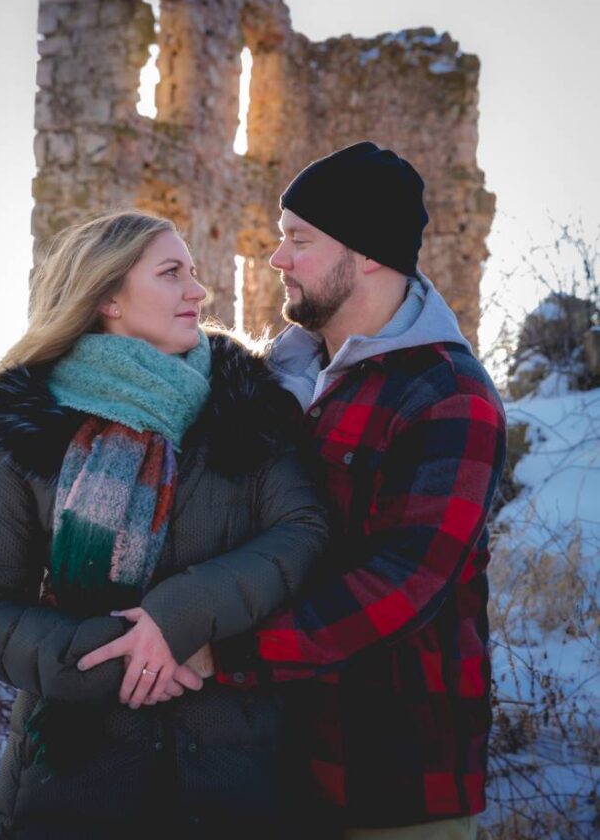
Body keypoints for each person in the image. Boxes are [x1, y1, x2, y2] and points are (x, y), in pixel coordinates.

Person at [0, 210, 328, 840]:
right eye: (172, 273)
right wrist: (117, 659)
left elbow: (302, 532)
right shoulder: (34, 429)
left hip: (239, 786)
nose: (199, 293)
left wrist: (180, 616)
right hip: (75, 789)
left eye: (194, 274)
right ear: (108, 298)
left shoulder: (245, 404)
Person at [206, 142, 507, 840]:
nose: (276, 258)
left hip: (391, 783)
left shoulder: (447, 395)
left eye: (297, 240)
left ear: (367, 253)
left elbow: (399, 586)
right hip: (262, 762)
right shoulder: (275, 379)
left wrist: (222, 652)